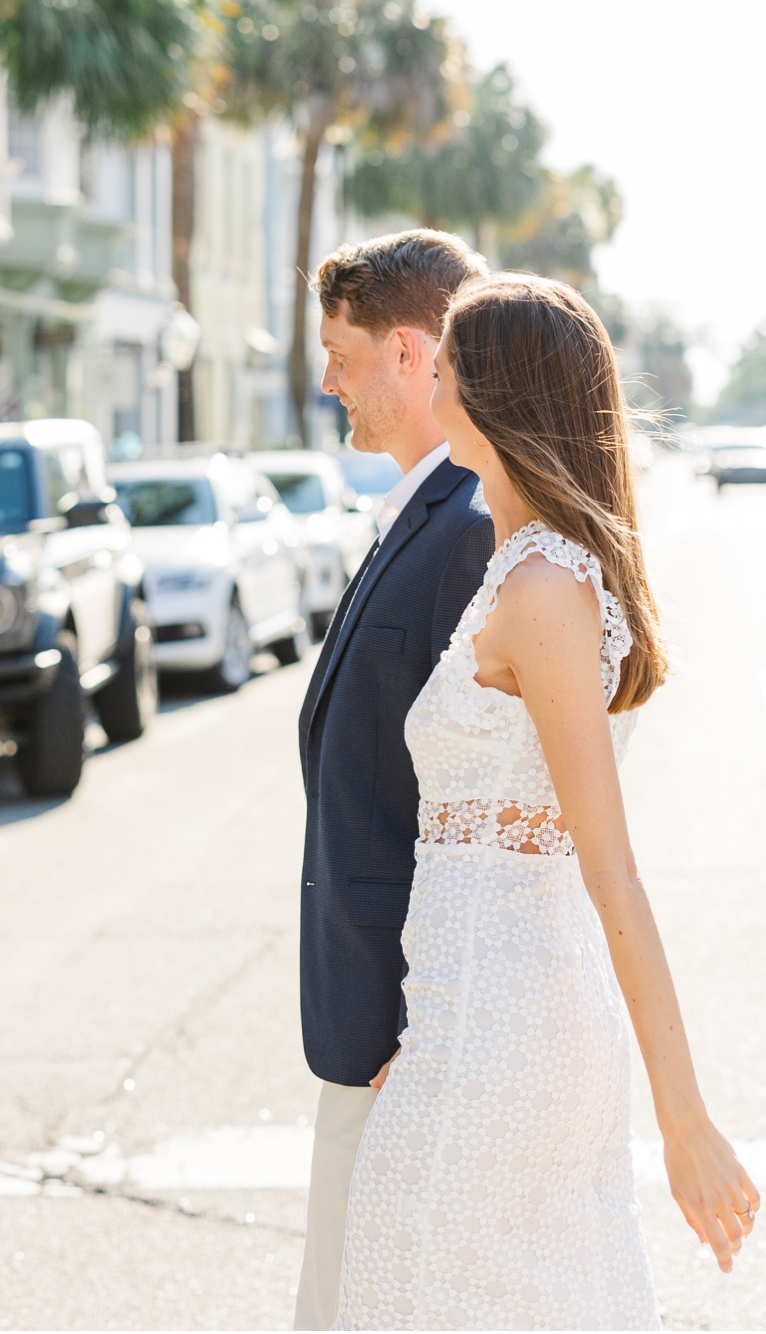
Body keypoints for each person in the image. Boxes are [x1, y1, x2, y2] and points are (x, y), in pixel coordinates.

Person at [334, 274, 760, 1332]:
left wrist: (684, 1118)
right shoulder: (519, 567)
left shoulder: (541, 589)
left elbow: (606, 864)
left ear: (494, 395)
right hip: (473, 1019)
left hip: (504, 1032)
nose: (429, 374)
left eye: (450, 361)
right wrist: (431, 1030)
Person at [293, 230, 496, 1333]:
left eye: (340, 351)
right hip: (370, 1016)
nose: (325, 379)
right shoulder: (421, 508)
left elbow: (458, 803)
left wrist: (419, 1017)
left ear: (412, 354)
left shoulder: (465, 529)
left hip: (397, 1026)